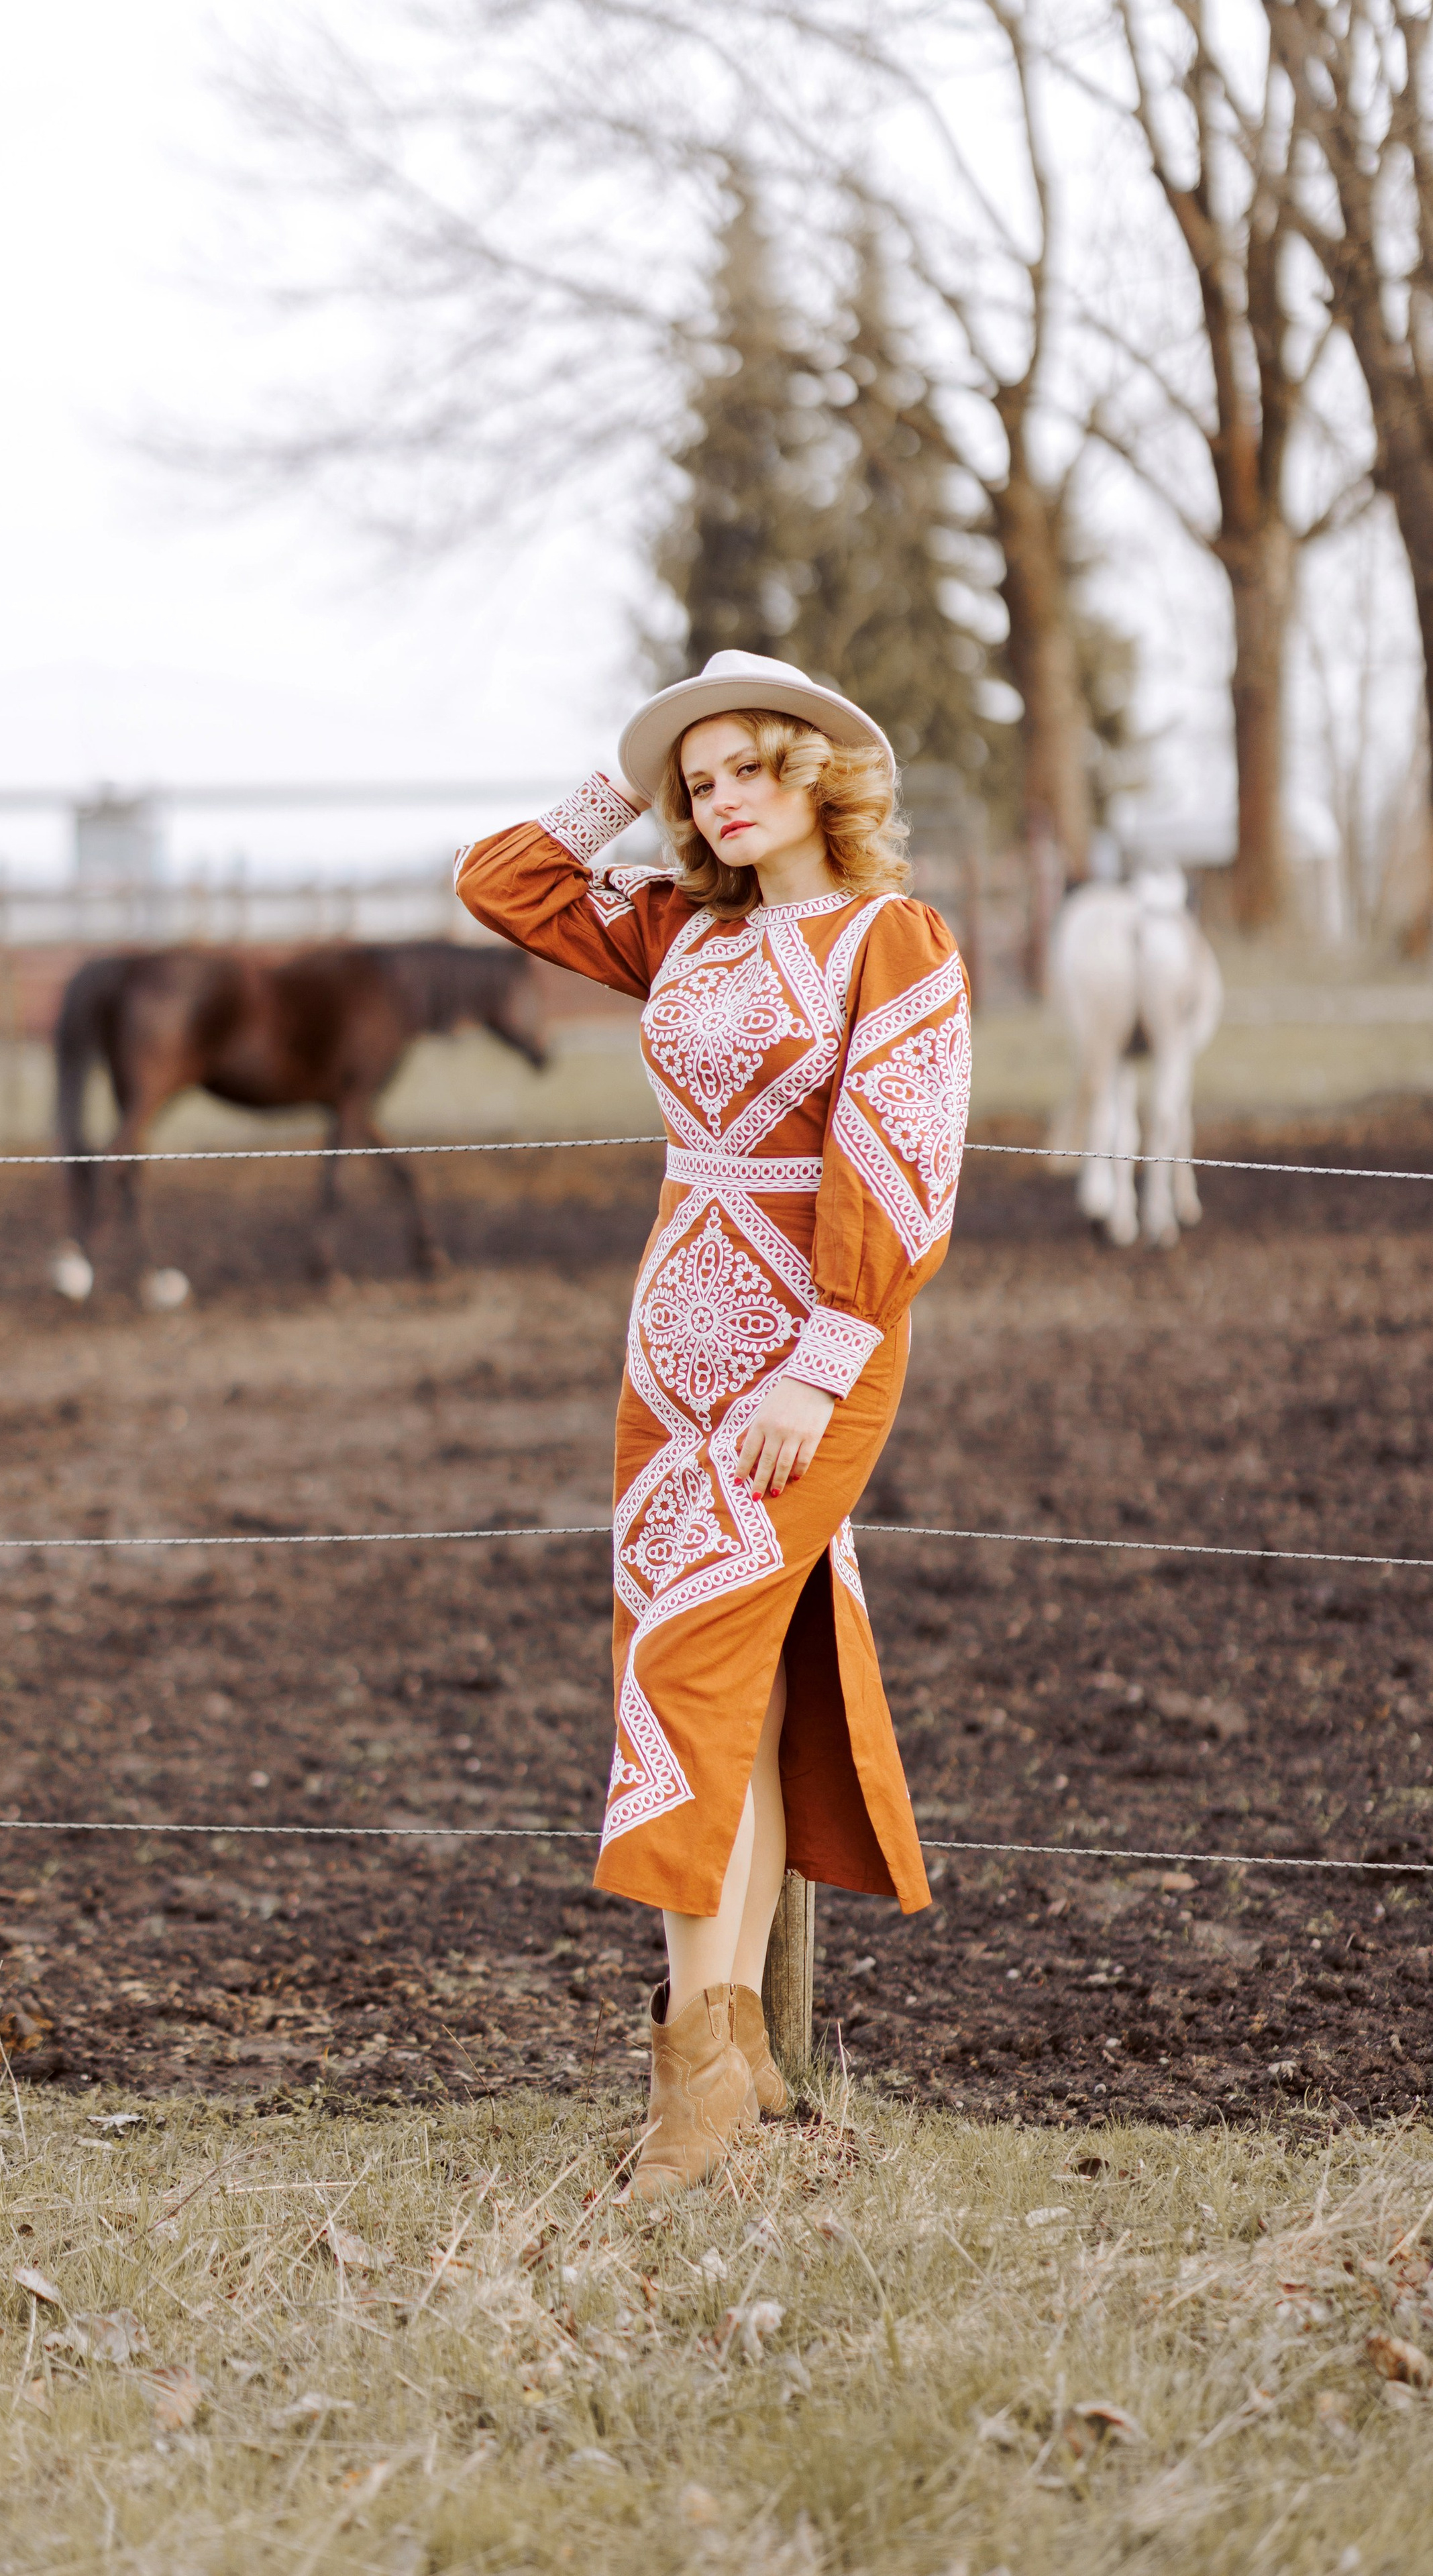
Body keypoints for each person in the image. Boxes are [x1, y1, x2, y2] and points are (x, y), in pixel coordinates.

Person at [457, 649, 971, 2200]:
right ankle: (738, 2054)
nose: (722, 799)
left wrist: (816, 1362)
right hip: (670, 1350)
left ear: (825, 772)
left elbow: (901, 1158)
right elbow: (501, 882)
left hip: (808, 1356)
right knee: (707, 1675)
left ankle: (690, 2075)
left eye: (752, 766)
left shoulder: (894, 940)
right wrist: (632, 766)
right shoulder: (685, 928)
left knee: (682, 1662)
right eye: (700, 782)